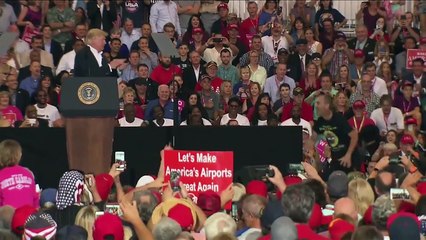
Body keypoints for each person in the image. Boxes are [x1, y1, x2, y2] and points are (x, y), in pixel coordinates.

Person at [314, 93, 359, 175]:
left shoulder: (339, 119)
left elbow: (354, 136)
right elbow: (313, 138)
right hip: (334, 158)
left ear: (326, 105)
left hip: (348, 157)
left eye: (318, 103)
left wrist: (348, 155)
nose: (316, 106)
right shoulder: (320, 121)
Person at [0, 139, 38, 209]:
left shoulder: (1, 176)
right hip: (29, 217)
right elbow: (35, 200)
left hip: (9, 218)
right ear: (19, 155)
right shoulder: (28, 173)